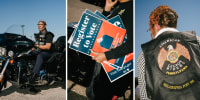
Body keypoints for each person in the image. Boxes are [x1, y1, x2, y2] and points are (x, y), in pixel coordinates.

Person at [137, 5, 200, 100]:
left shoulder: (144, 55)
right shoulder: (196, 40)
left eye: (151, 28)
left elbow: (144, 96)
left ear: (156, 25)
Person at [86, 0, 133, 99]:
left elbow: (131, 43)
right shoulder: (119, 6)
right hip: (103, 57)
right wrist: (107, 9)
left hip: (112, 62)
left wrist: (107, 56)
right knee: (92, 92)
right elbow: (106, 26)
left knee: (101, 94)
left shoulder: (131, 8)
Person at [29, 20, 54, 91]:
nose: (39, 26)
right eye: (38, 24)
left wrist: (37, 46)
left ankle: (33, 77)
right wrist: (31, 49)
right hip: (38, 51)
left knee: (40, 55)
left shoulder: (48, 34)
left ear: (45, 26)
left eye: (41, 24)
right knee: (27, 55)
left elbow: (48, 47)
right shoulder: (37, 35)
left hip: (47, 53)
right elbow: (35, 46)